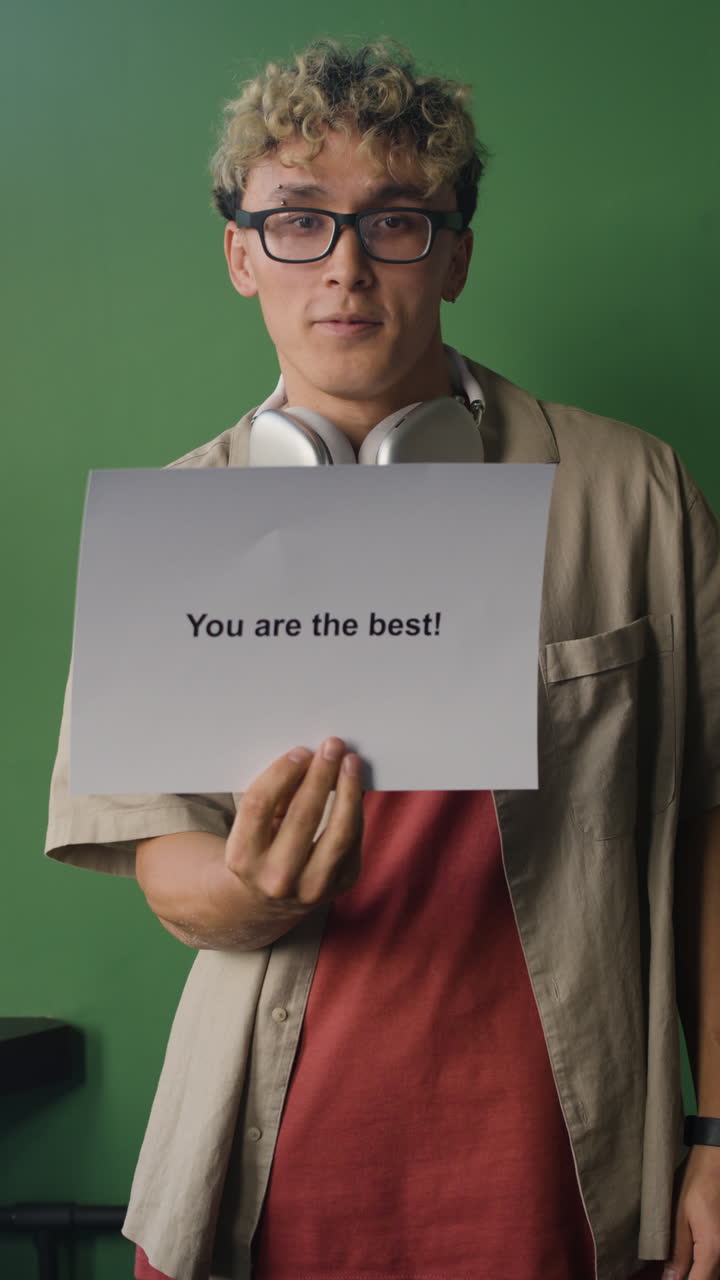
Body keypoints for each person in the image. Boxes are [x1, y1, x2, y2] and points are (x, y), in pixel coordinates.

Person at [45, 39, 720, 1280]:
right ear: (241, 250)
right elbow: (161, 861)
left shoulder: (637, 493)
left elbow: (711, 832)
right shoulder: (165, 528)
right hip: (266, 1172)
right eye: (298, 220)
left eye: (396, 220)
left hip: (563, 1170)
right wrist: (251, 891)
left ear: (456, 249)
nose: (346, 265)